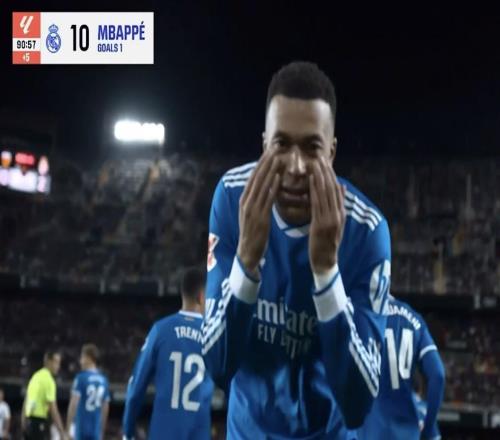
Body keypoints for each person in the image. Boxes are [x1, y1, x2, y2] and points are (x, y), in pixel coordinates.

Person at [202, 61, 392, 438]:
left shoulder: (367, 230)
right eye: (282, 144)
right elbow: (218, 366)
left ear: (331, 152)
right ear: (264, 145)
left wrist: (326, 272)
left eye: (311, 147)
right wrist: (246, 262)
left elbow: (358, 404)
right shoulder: (232, 198)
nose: (296, 166)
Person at [123, 267, 214, 440]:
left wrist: (128, 432)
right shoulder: (213, 334)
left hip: (163, 433)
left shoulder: (160, 330)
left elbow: (136, 388)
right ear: (202, 297)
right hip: (199, 433)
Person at [356, 295, 445, 439]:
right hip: (406, 431)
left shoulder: (360, 315)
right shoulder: (414, 320)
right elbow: (438, 375)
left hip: (368, 429)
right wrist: (428, 428)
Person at [66, 344, 110, 440]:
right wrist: (101, 431)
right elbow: (105, 408)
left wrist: (67, 428)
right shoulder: (104, 380)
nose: (80, 361)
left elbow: (73, 403)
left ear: (89, 358)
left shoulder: (81, 378)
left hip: (81, 429)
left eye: (82, 357)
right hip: (96, 430)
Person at [22, 351, 68, 440]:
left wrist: (23, 422)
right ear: (48, 361)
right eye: (56, 362)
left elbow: (26, 401)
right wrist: (62, 433)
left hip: (28, 423)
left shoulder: (35, 376)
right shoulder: (49, 380)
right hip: (39, 422)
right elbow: (53, 408)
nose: (58, 366)